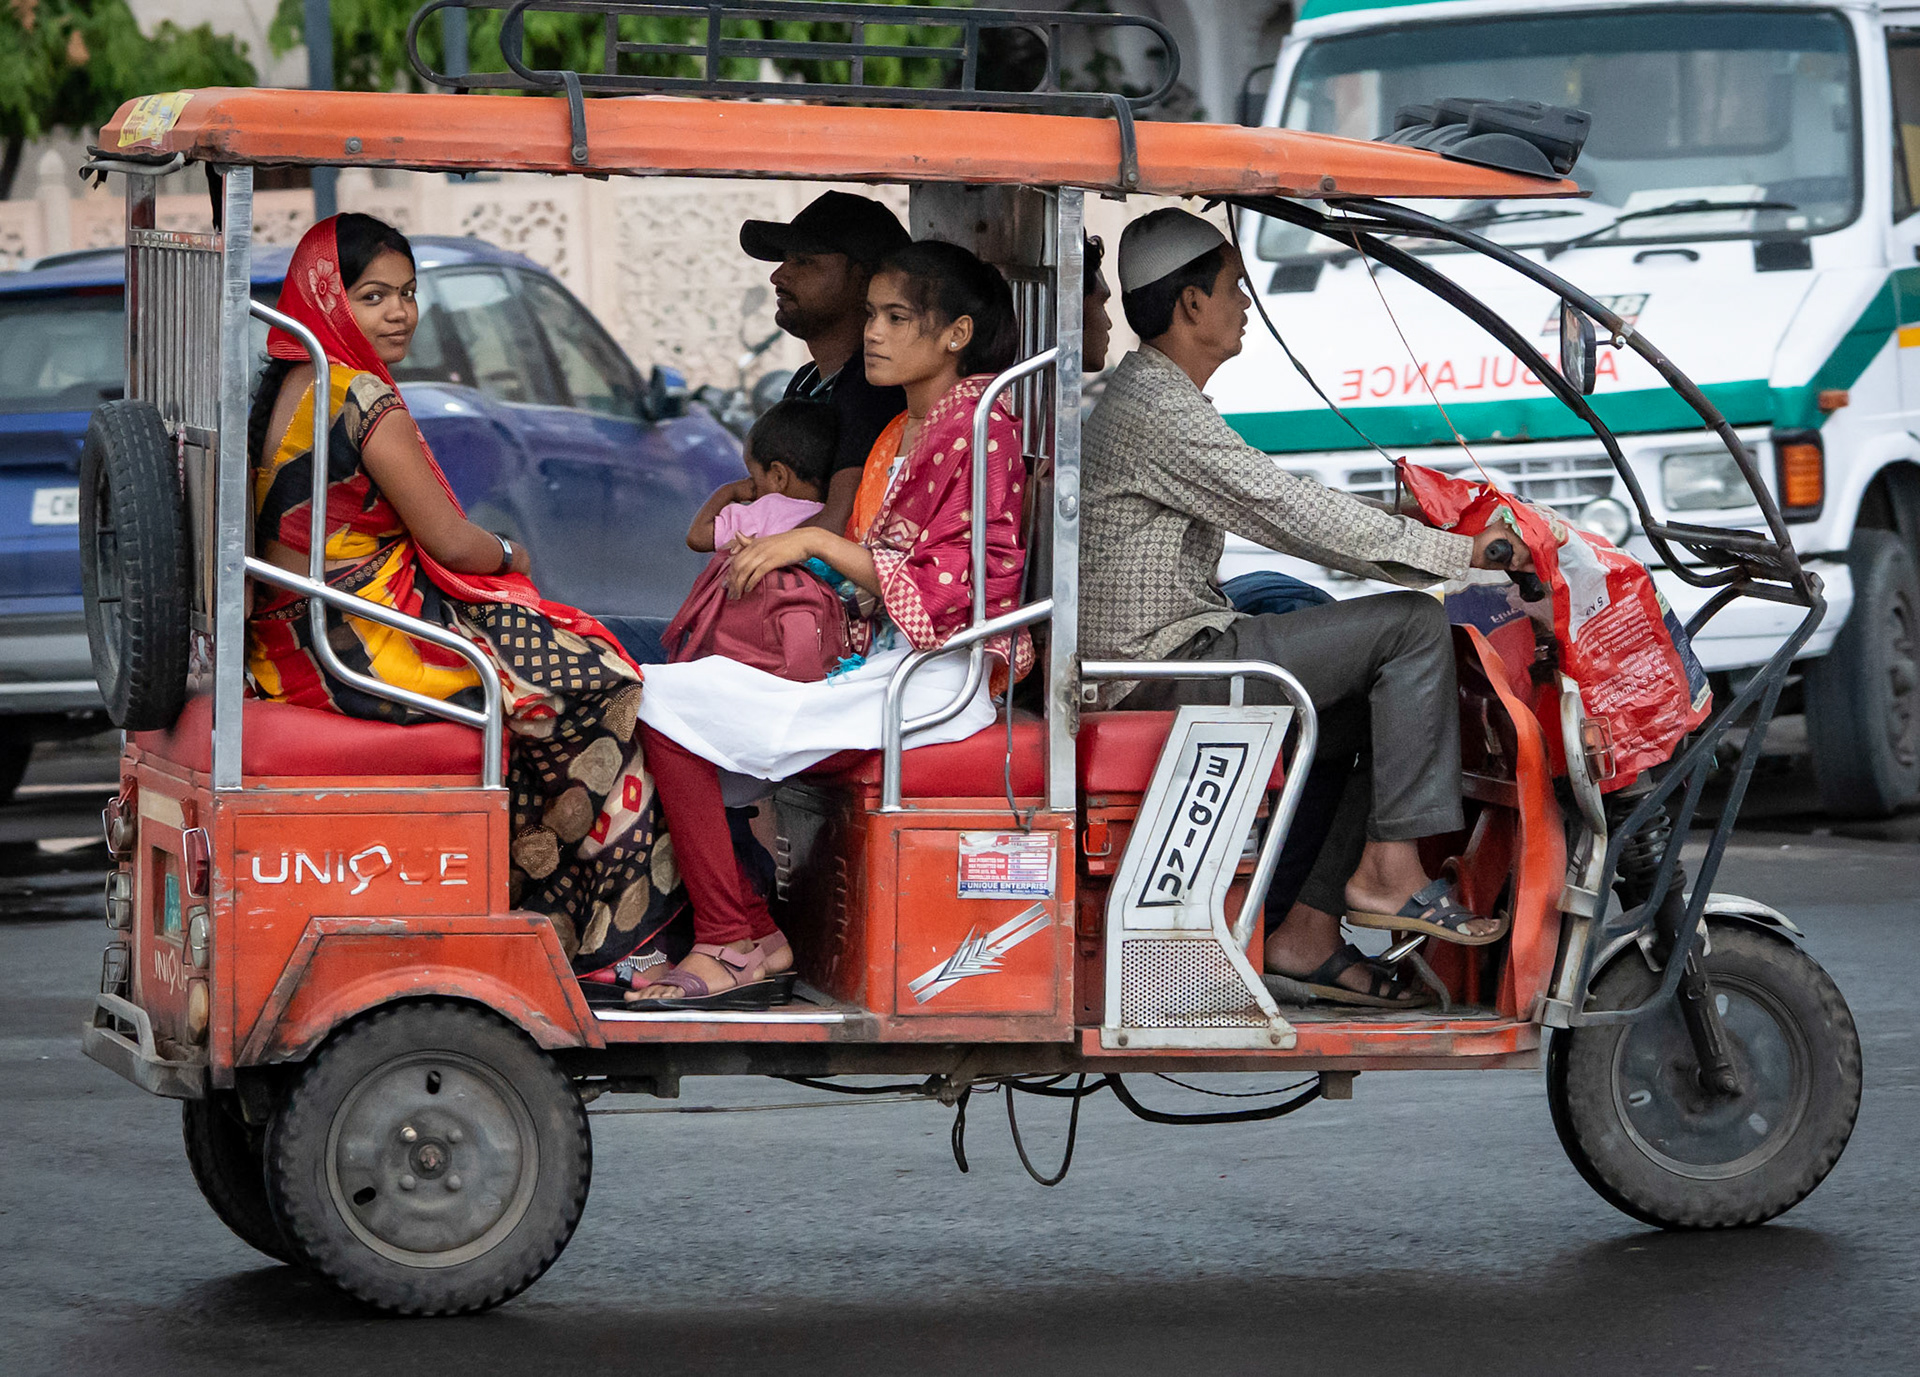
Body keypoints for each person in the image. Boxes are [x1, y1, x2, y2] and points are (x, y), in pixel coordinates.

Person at [1080, 208, 1531, 1007]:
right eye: (1233, 285)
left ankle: (1306, 933)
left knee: (1357, 685)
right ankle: (1392, 872)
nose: (1247, 300)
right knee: (1414, 627)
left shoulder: (1153, 395)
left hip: (1169, 646)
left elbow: (1281, 497)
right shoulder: (1158, 407)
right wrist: (1461, 556)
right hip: (1159, 667)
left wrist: (1412, 529)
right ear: (1190, 304)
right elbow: (1288, 510)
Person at [247, 214, 678, 964]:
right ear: (327, 297)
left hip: (296, 635)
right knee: (606, 682)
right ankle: (615, 933)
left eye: (408, 294)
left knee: (560, 669)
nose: (399, 313)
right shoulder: (359, 399)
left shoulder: (291, 381)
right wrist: (514, 552)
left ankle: (542, 900)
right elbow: (450, 539)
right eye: (374, 295)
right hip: (362, 640)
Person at [627, 239, 1030, 1007]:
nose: (873, 331)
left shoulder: (981, 428)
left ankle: (729, 937)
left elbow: (948, 591)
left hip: (933, 676)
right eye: (873, 314)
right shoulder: (905, 430)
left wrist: (813, 541)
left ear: (957, 335)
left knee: (666, 702)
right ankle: (745, 929)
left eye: (897, 316)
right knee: (665, 697)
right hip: (881, 659)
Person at [740, 191, 911, 536]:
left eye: (804, 262)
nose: (778, 276)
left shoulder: (875, 389)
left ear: (864, 279)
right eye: (786, 259)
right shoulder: (806, 381)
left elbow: (843, 525)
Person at [686, 399, 836, 552]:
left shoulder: (764, 514)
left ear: (778, 477)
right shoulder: (839, 515)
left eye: (753, 477)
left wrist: (728, 491)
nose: (750, 483)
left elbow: (697, 538)